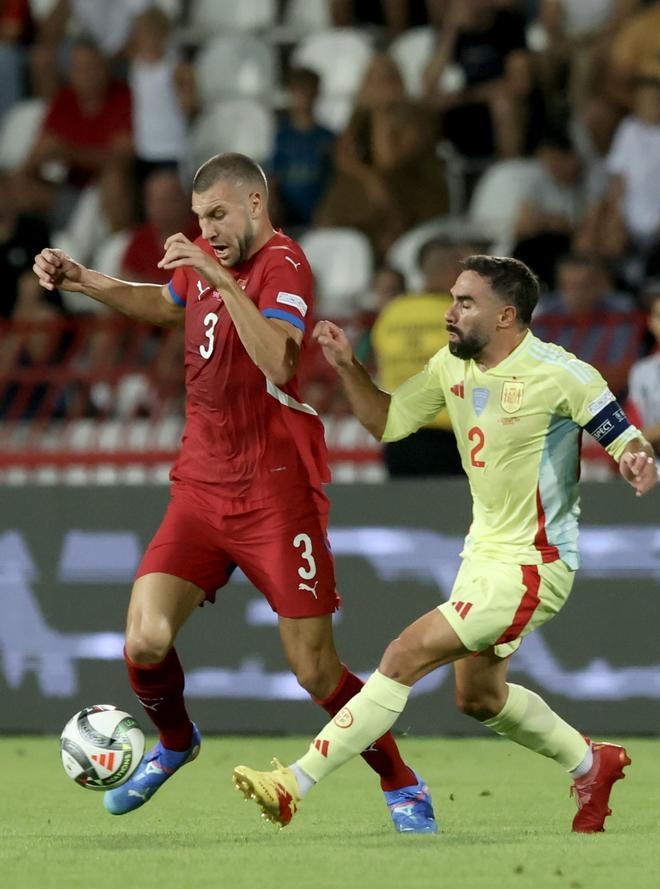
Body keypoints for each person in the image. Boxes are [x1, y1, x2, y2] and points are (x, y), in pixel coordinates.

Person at [32, 151, 435, 833]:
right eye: (198, 219)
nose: (206, 229)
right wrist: (83, 279)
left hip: (277, 495)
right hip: (201, 487)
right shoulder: (204, 267)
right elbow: (163, 305)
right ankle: (176, 740)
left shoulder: (285, 264)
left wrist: (216, 271)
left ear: (254, 202)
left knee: (314, 669)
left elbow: (281, 359)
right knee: (146, 638)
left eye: (216, 215)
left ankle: (401, 780)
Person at [232, 254, 658, 833]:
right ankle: (591, 762)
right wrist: (348, 365)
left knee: (403, 655)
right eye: (452, 299)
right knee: (479, 697)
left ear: (506, 315)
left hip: (535, 563)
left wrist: (635, 460)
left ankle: (293, 783)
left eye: (464, 302)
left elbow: (622, 436)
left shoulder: (562, 374)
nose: (449, 313)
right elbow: (387, 421)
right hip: (481, 556)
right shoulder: (449, 367)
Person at [369, 237, 463, 476]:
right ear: (453, 271)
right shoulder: (460, 315)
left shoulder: (392, 312)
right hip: (448, 435)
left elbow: (377, 363)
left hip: (399, 436)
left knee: (404, 512)